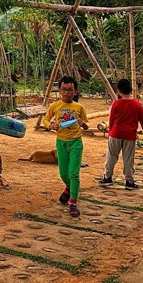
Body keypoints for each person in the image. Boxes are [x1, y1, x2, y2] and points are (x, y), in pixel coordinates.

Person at [98, 78, 143, 190]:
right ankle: (129, 181)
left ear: (118, 91)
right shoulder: (137, 105)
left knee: (111, 156)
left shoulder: (116, 104)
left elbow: (111, 120)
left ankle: (107, 177)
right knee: (128, 158)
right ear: (131, 90)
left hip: (115, 133)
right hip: (130, 135)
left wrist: (110, 132)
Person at [46, 76, 89, 217]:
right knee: (64, 174)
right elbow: (46, 120)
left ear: (75, 91)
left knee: (73, 173)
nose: (66, 93)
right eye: (64, 89)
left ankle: (73, 202)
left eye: (70, 90)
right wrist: (51, 125)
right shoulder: (55, 106)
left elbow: (86, 126)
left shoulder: (79, 108)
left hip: (76, 143)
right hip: (61, 142)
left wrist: (82, 123)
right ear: (59, 91)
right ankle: (69, 188)